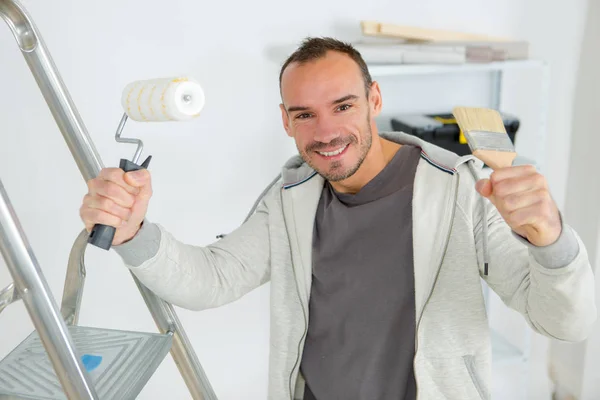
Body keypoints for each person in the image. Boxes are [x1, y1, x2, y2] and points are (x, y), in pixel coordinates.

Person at [79, 37, 597, 400]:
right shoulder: (291, 196)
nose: (325, 132)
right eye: (304, 114)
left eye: (343, 105)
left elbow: (566, 323)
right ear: (285, 120)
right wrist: (133, 233)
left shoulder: (459, 189)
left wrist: (550, 240)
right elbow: (212, 280)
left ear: (374, 100)